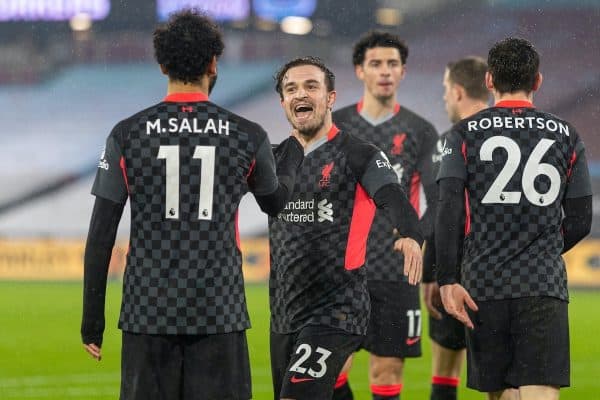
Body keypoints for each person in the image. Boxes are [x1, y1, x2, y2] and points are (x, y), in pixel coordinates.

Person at [80, 10, 304, 400]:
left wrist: (92, 321)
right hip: (219, 313)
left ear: (162, 64)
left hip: (147, 314)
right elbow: (276, 204)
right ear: (214, 63)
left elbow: (101, 234)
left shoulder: (127, 134)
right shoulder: (247, 135)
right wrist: (291, 160)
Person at [436, 37, 592, 400]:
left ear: (489, 81)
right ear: (537, 81)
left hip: (483, 284)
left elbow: (448, 212)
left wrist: (447, 278)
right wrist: (542, 247)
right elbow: (581, 219)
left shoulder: (461, 135)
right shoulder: (568, 136)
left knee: (501, 391)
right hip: (541, 283)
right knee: (540, 392)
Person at [269, 56, 424, 400]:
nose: (300, 94)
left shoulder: (358, 154)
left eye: (311, 86)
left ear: (331, 98)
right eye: (291, 88)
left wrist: (410, 234)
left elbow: (393, 197)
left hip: (336, 309)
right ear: (283, 102)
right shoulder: (273, 158)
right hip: (283, 311)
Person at [332, 31, 438, 400]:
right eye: (375, 63)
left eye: (392, 63)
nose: (385, 71)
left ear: (403, 72)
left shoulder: (420, 131)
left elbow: (437, 201)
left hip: (395, 272)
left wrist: (415, 239)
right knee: (332, 370)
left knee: (387, 369)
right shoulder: (337, 126)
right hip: (342, 271)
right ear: (360, 71)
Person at [422, 56, 489, 400]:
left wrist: (432, 274)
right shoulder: (507, 133)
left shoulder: (451, 141)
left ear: (459, 91)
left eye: (447, 90)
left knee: (446, 371)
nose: (446, 97)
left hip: (455, 271)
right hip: (502, 276)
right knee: (503, 379)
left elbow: (441, 211)